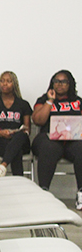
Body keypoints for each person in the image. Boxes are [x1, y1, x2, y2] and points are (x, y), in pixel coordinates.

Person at [31, 70, 82, 209]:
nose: (60, 84)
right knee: (50, 147)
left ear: (70, 84)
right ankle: (44, 191)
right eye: (56, 81)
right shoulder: (43, 100)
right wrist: (50, 101)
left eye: (63, 81)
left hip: (72, 141)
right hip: (48, 139)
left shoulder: (77, 101)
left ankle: (81, 193)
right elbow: (38, 121)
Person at [0, 71, 32, 177]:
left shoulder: (23, 104)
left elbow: (27, 130)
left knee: (19, 137)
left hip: (20, 140)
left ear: (14, 84)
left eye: (9, 81)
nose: (5, 84)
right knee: (15, 150)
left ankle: (2, 166)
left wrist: (16, 132)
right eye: (2, 81)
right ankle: (19, 183)